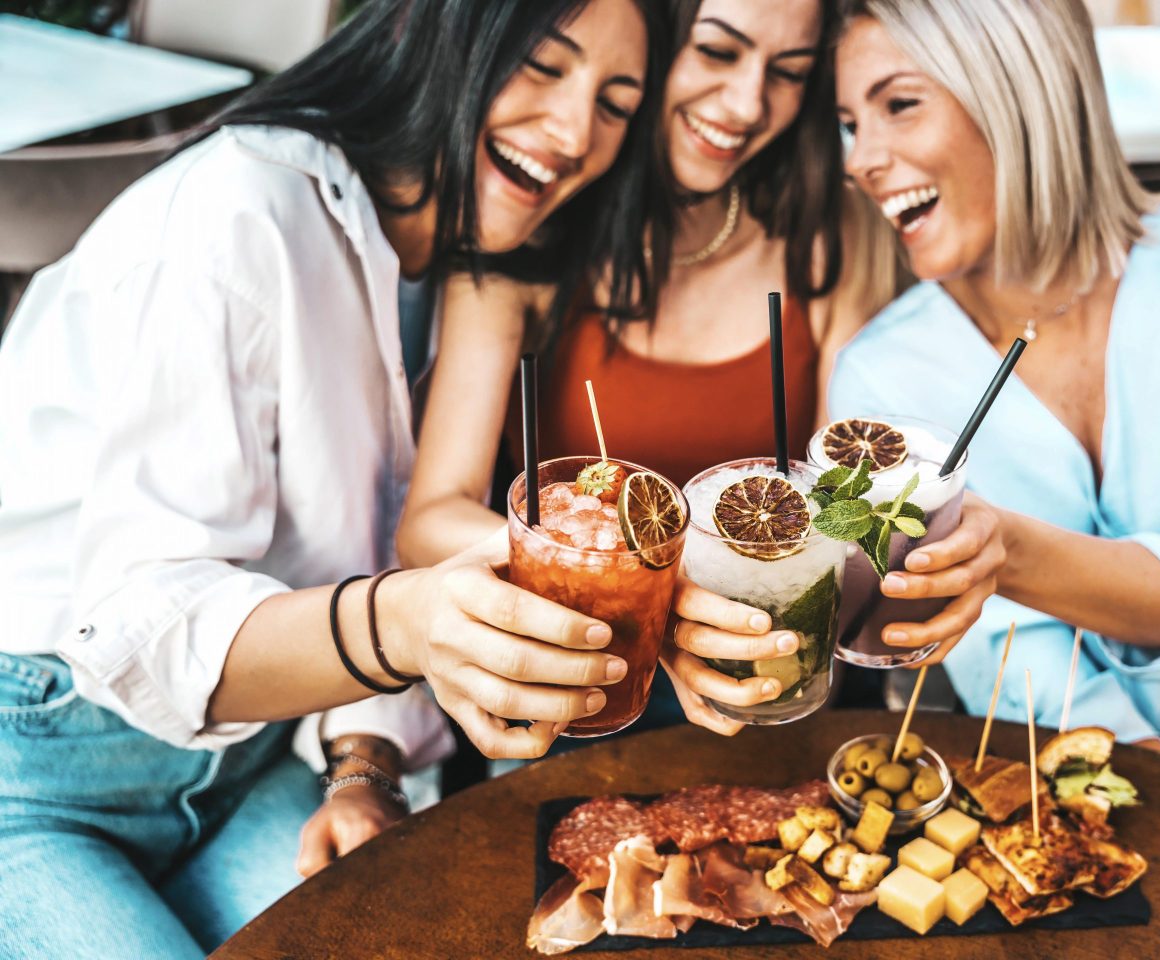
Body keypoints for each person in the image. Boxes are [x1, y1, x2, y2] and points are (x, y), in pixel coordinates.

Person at [0, 0, 667, 955]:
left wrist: (363, 766)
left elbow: (351, 537)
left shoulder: (456, 262)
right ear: (428, 31)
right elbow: (144, 628)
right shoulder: (242, 210)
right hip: (33, 766)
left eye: (615, 103)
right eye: (542, 66)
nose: (575, 134)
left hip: (254, 763)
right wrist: (407, 624)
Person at [395, 0, 1005, 743]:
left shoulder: (831, 232)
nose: (749, 106)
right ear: (643, 46)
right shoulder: (527, 231)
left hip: (778, 671)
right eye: (717, 53)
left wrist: (924, 550)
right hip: (579, 677)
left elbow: (840, 501)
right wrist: (654, 588)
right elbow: (431, 518)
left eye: (788, 73)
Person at [829, 0, 1160, 823]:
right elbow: (1004, 654)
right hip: (1048, 739)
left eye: (899, 104)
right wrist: (1126, 776)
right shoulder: (879, 372)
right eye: (848, 123)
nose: (862, 159)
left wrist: (1002, 549)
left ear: (1022, 92)